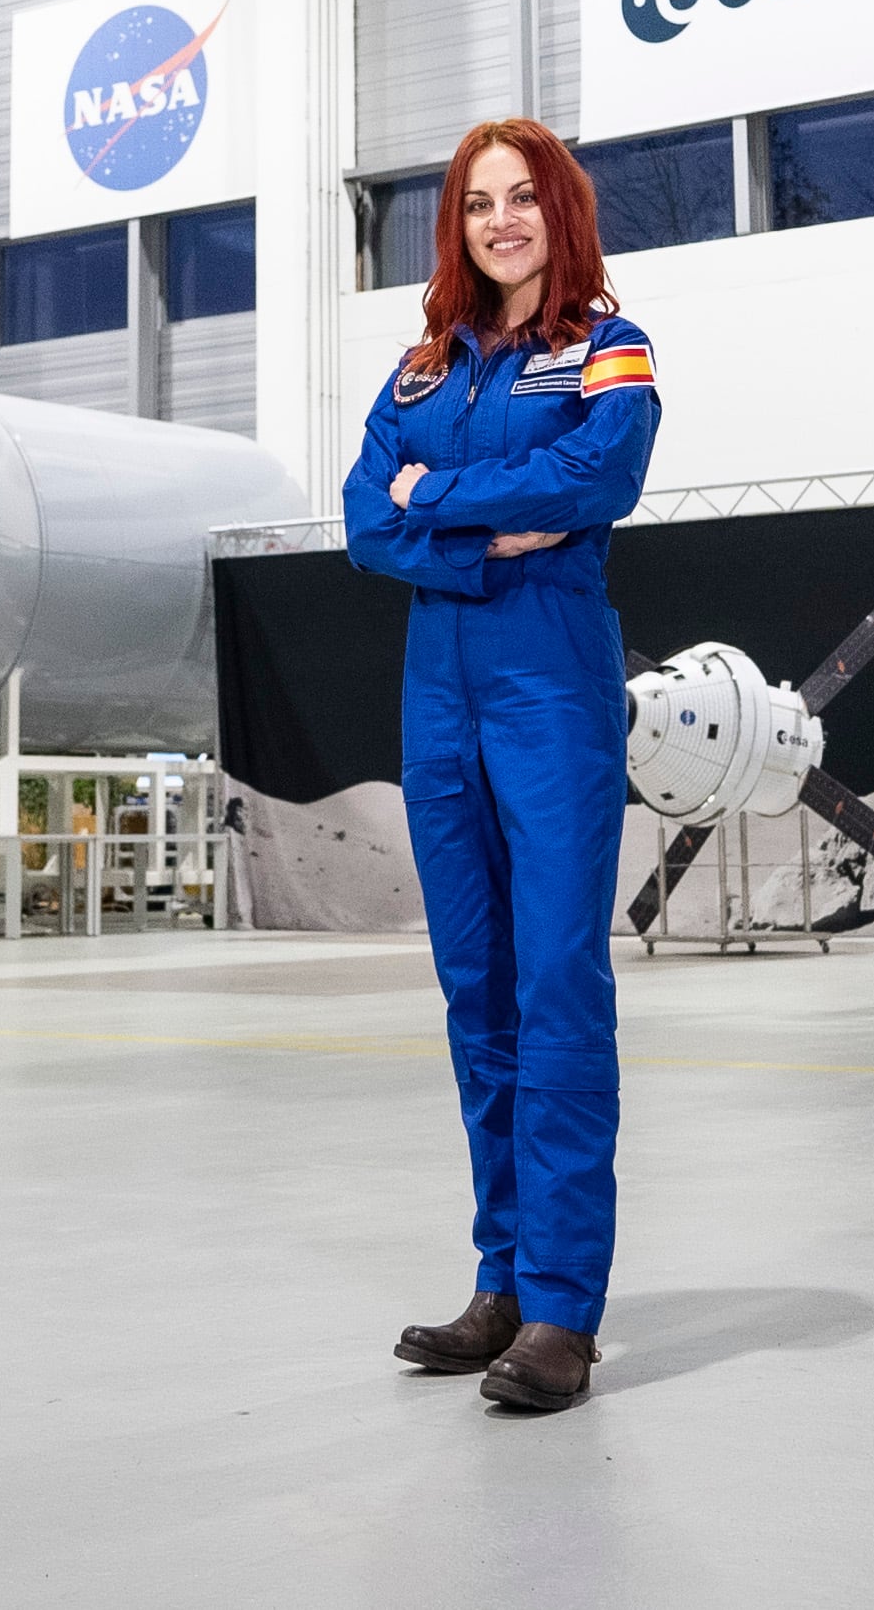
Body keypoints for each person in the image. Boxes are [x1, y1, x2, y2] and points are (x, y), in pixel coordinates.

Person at [341, 118, 662, 1413]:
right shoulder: (419, 371)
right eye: (478, 204)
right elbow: (366, 518)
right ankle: (502, 1283)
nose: (499, 221)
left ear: (558, 210)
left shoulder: (606, 343)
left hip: (550, 701)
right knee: (477, 995)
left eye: (521, 198)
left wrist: (437, 498)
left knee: (557, 990)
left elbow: (602, 474)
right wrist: (481, 530)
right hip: (440, 707)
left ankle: (565, 1312)